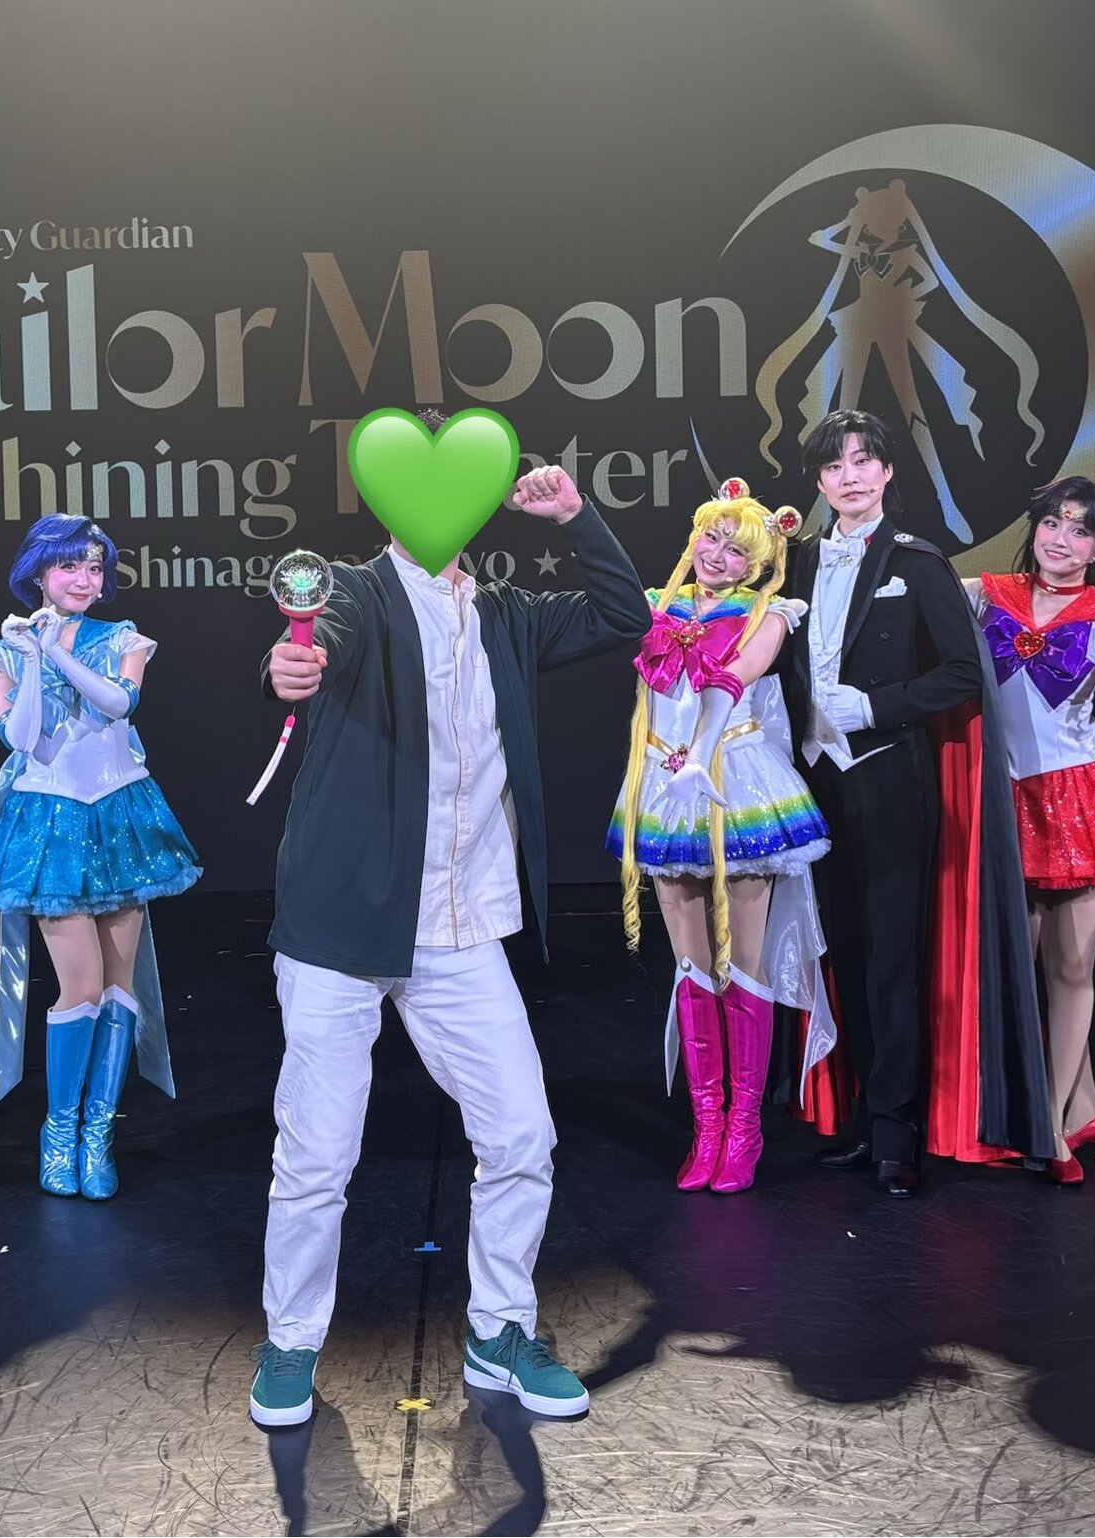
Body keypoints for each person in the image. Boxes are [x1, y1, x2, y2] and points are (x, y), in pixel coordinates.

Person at [248, 431, 650, 1429]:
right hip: (343, 926)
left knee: (521, 1134)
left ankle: (500, 1329)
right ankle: (290, 1340)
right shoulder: (354, 591)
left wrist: (575, 516)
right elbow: (307, 648)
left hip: (462, 928)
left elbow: (623, 615)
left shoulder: (508, 613)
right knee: (317, 1154)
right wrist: (290, 666)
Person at [777, 408, 1049, 1197]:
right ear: (818, 479)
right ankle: (865, 1121)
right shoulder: (794, 563)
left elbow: (963, 672)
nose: (850, 476)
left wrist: (877, 704)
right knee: (845, 954)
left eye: (864, 460)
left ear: (889, 470)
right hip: (812, 784)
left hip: (891, 775)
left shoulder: (918, 561)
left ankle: (898, 1133)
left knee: (894, 958)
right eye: (835, 465)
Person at [606, 475, 832, 1194]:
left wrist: (702, 754)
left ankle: (744, 1129)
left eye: (737, 551)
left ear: (757, 565)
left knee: (745, 961)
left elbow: (737, 674)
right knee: (691, 964)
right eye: (712, 537)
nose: (718, 555)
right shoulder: (654, 606)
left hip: (737, 782)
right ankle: (706, 1125)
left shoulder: (773, 612)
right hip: (663, 784)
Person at [0, 514, 201, 1199]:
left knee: (120, 985)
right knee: (83, 986)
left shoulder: (123, 639)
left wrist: (58, 653)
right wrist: (33, 659)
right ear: (38, 574)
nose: (85, 579)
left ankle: (98, 1134)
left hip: (119, 813)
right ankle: (58, 1129)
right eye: (70, 566)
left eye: (95, 568)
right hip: (50, 821)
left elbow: (118, 705)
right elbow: (22, 739)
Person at [964, 477, 1095, 1184]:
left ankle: (1051, 1122)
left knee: (1072, 967)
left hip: (1083, 798)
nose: (1060, 539)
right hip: (1003, 798)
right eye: (1052, 522)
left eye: (1081, 531)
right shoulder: (986, 593)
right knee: (1014, 969)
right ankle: (1078, 1106)